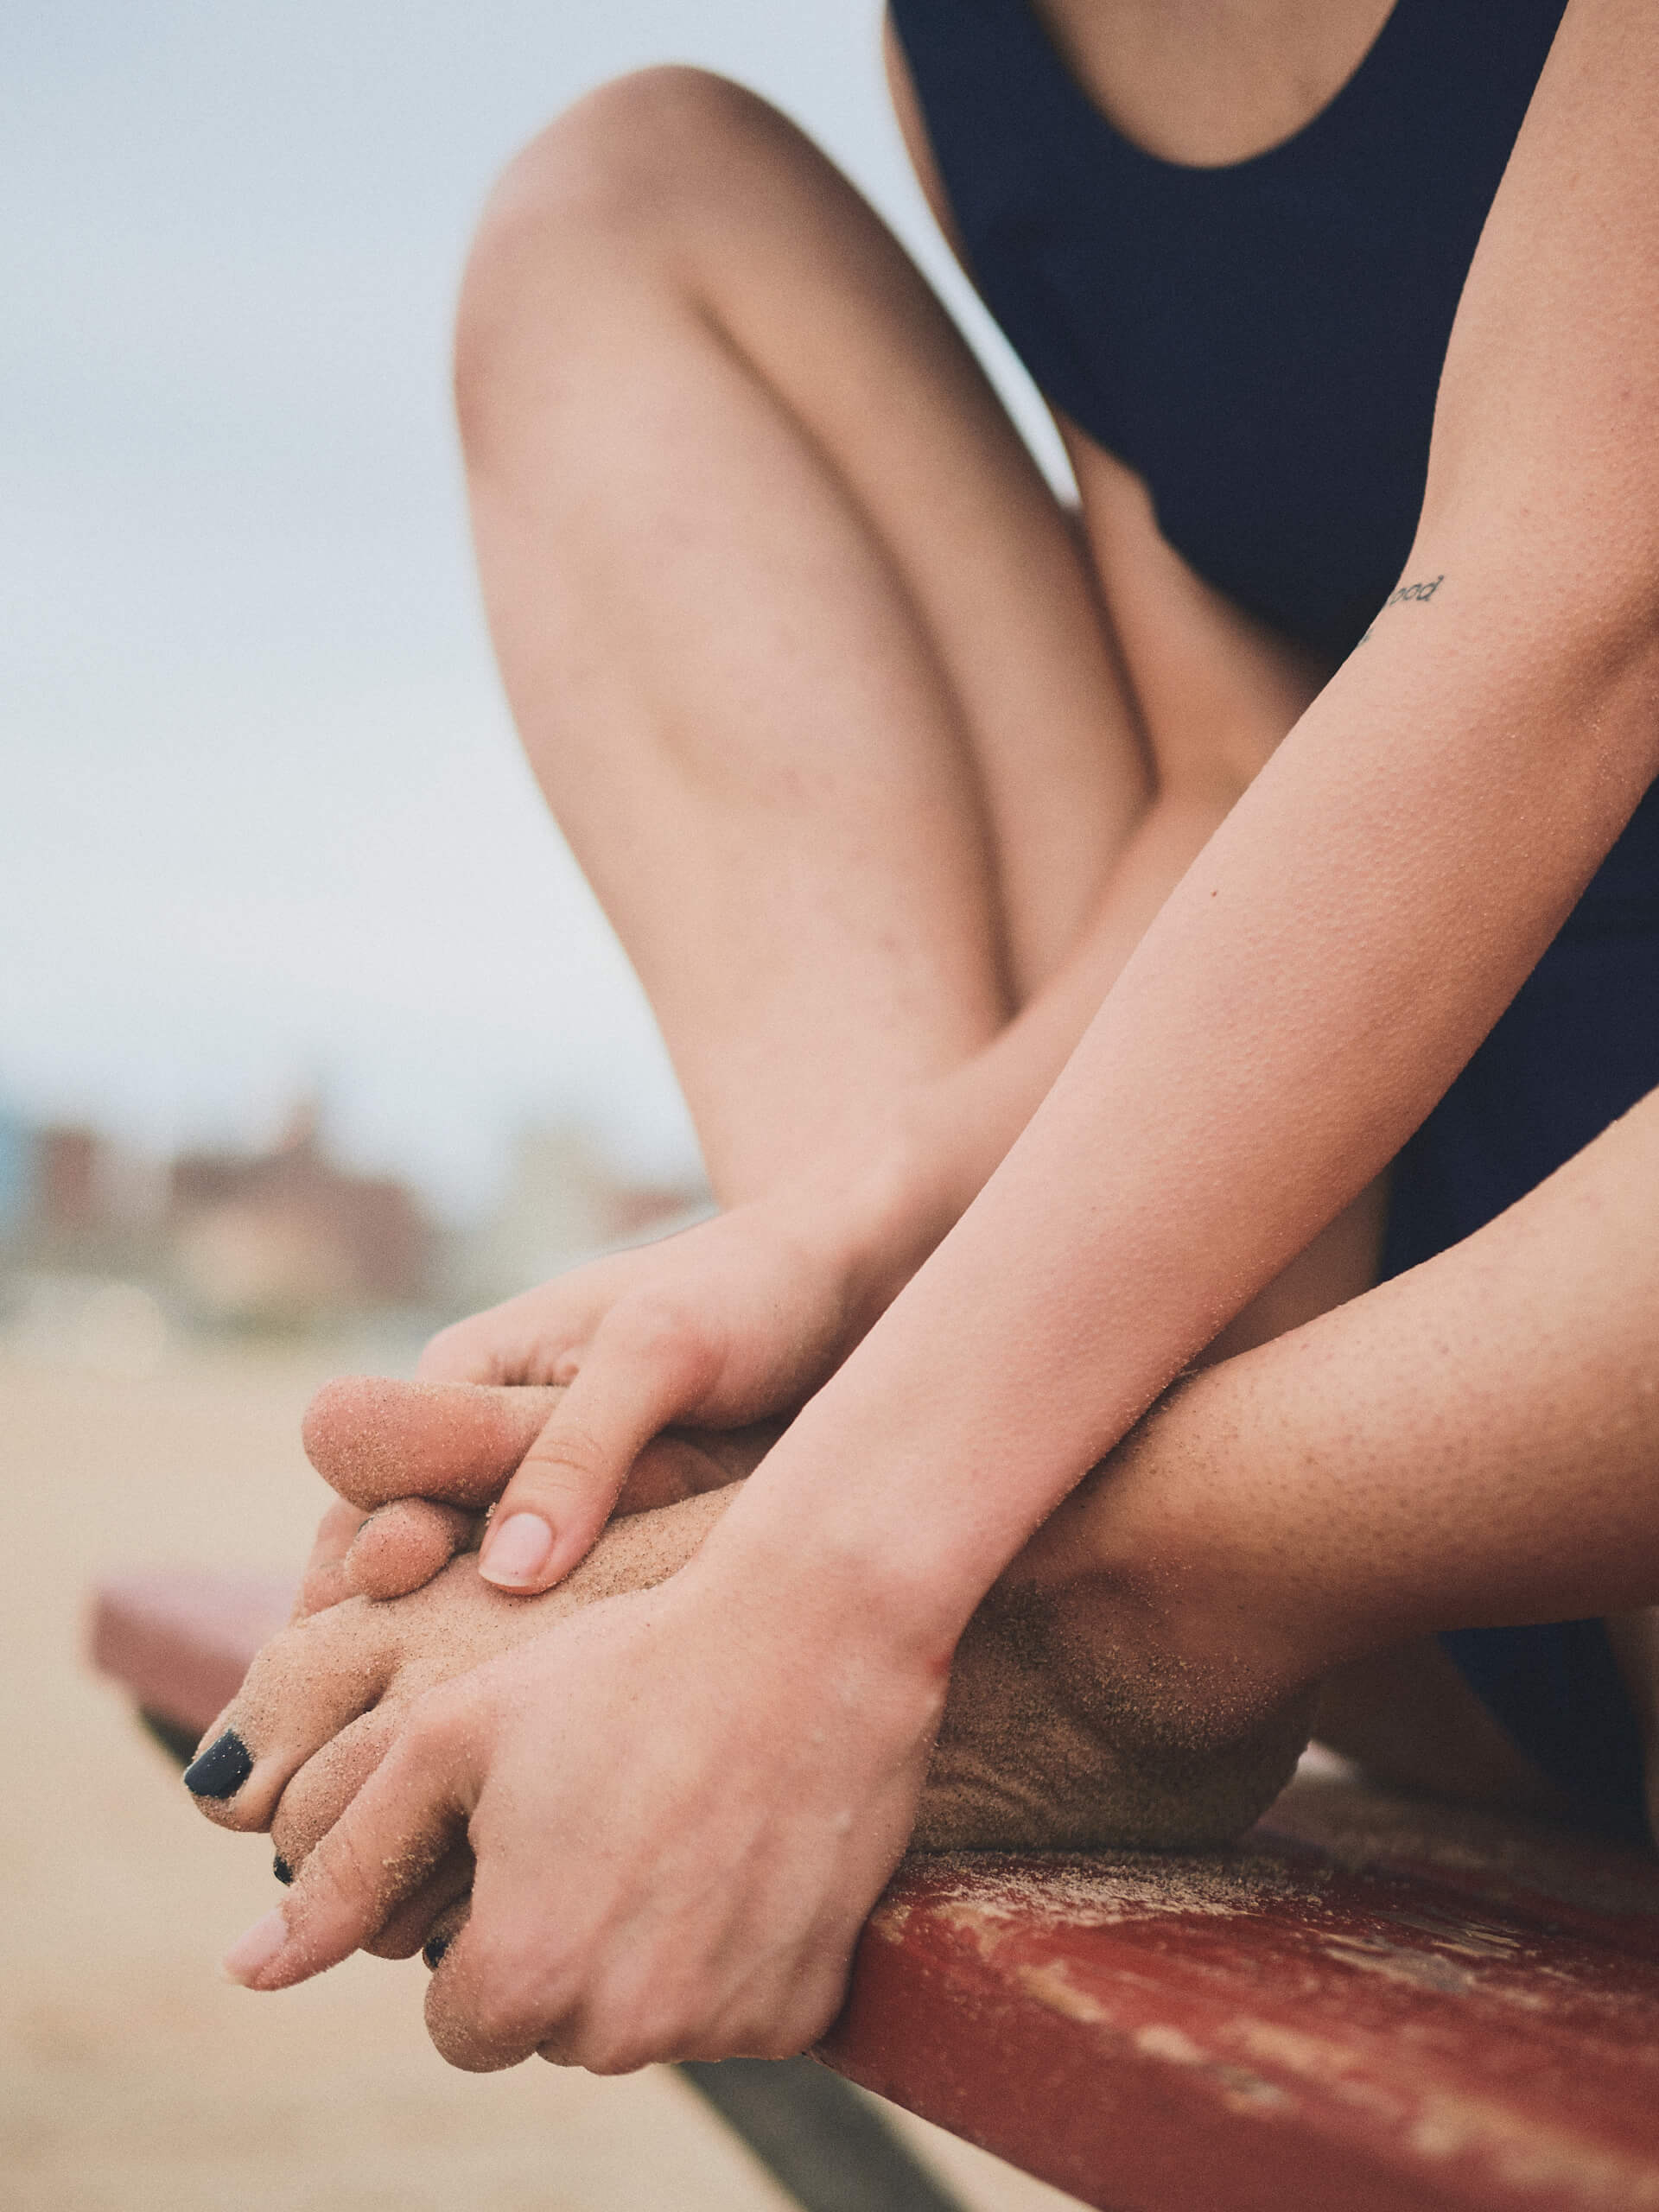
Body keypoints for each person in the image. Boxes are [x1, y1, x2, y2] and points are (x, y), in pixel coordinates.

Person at [188, 0, 1659, 2072]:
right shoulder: (975, 42)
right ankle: (949, 1495)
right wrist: (842, 1244)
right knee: (629, 211)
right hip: (1344, 1395)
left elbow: (1571, 604)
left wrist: (840, 1578)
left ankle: (1085, 1598)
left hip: (1543, 1418)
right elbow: (1229, 776)